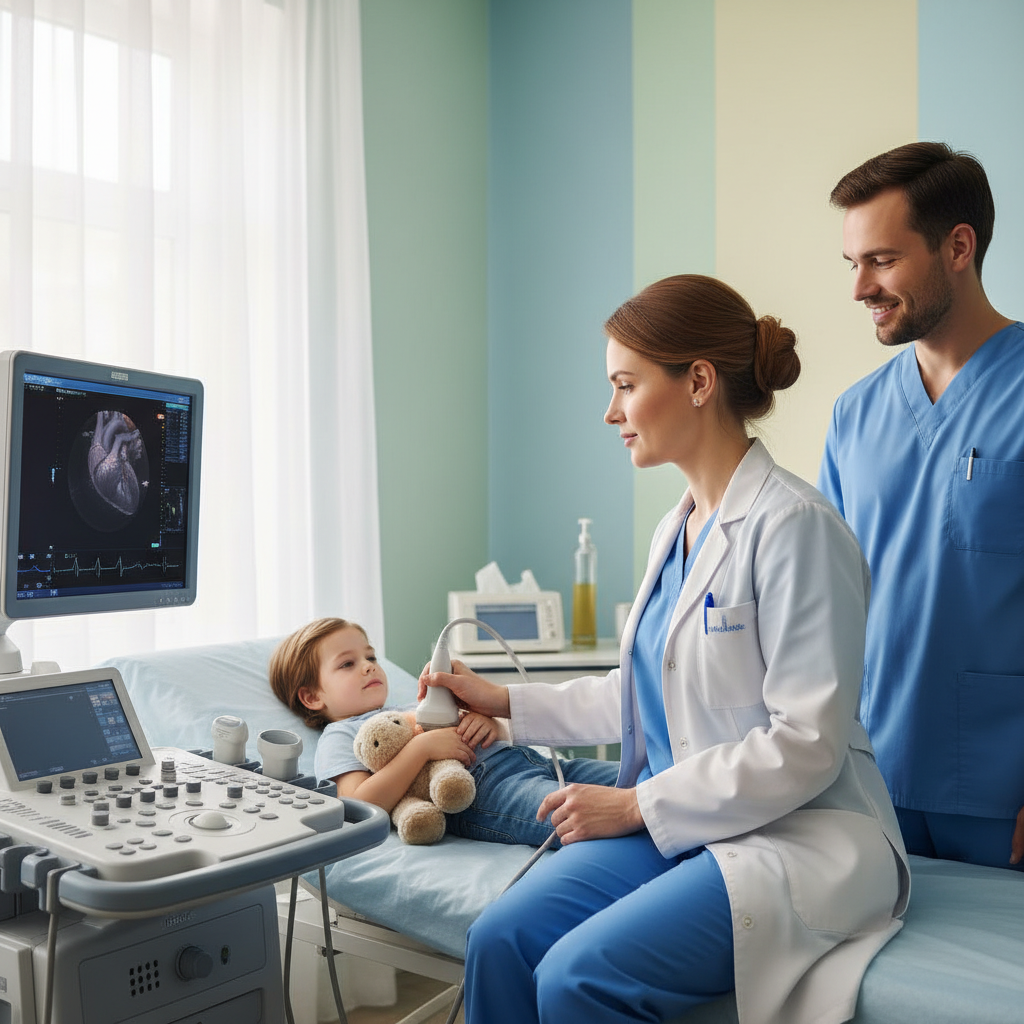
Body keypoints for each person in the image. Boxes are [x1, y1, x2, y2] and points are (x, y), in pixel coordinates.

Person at [420, 274, 909, 1024]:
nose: (610, 411)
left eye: (625, 384)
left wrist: (635, 803)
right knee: (500, 939)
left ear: (699, 382)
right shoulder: (677, 527)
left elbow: (809, 742)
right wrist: (508, 702)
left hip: (795, 832)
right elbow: (652, 686)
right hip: (688, 818)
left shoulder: (796, 527)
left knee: (577, 978)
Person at [819, 141, 1024, 870]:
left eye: (881, 260)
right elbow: (823, 605)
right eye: (854, 265)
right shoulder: (854, 416)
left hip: (1003, 788)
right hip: (868, 782)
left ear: (958, 247)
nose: (860, 288)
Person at [268, 617, 618, 846]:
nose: (367, 667)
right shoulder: (342, 734)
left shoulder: (411, 706)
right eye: (347, 663)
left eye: (370, 657)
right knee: (582, 821)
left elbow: (494, 730)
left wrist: (487, 722)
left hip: (528, 761)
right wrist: (421, 749)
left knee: (638, 779)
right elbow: (358, 804)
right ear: (312, 697)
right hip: (486, 791)